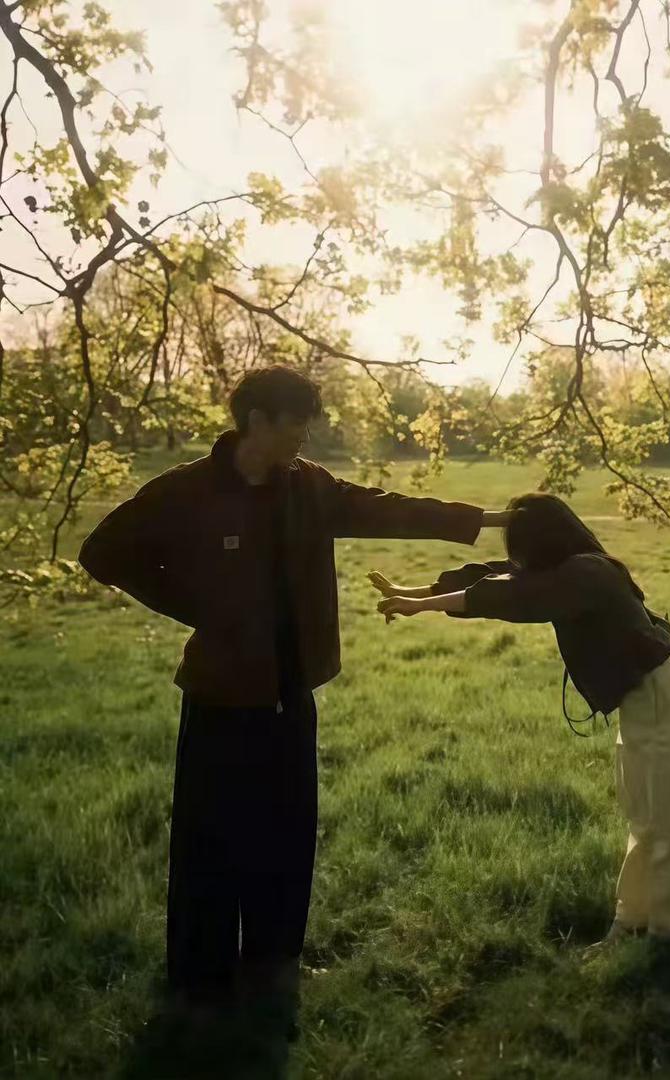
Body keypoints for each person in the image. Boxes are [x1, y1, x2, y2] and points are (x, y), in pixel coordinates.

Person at [78, 364, 510, 1032]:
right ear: (257, 422)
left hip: (290, 694)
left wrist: (482, 520)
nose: (305, 433)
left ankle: (274, 960)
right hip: (220, 697)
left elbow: (382, 509)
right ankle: (199, 980)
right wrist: (194, 604)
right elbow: (103, 552)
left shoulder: (309, 488)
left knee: (285, 834)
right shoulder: (186, 491)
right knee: (209, 842)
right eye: (295, 421)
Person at [368, 492, 670, 949]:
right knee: (645, 822)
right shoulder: (568, 570)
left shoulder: (589, 572)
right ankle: (628, 925)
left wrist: (423, 605)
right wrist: (418, 593)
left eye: (520, 544)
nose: (516, 557)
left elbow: (516, 595)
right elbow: (494, 578)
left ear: (542, 540)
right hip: (642, 708)